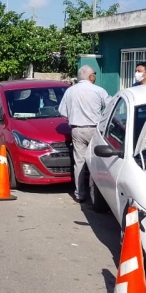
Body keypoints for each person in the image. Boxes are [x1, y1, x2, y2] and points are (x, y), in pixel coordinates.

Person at [58, 65, 109, 203]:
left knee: (79, 162)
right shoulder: (99, 91)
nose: (95, 76)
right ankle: (98, 195)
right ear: (90, 76)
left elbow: (62, 111)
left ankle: (80, 194)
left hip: (77, 129)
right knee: (97, 162)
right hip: (95, 129)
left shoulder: (70, 91)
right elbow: (110, 107)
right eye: (94, 73)